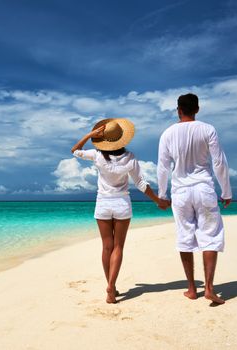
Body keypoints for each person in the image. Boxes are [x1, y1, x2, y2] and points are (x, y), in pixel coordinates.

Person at [72, 118, 170, 304]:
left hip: (103, 204)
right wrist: (158, 201)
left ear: (104, 140)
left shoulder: (97, 155)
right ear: (122, 139)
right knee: (118, 247)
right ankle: (111, 285)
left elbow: (75, 151)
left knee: (106, 247)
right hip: (122, 204)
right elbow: (141, 184)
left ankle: (111, 287)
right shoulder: (130, 158)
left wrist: (90, 135)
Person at [157, 93, 232, 305]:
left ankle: (191, 289)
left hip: (180, 192)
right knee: (211, 236)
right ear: (197, 109)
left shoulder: (168, 133)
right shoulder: (207, 129)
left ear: (178, 110)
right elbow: (219, 162)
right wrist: (226, 191)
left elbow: (163, 167)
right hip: (203, 188)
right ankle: (208, 288)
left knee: (184, 237)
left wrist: (162, 195)